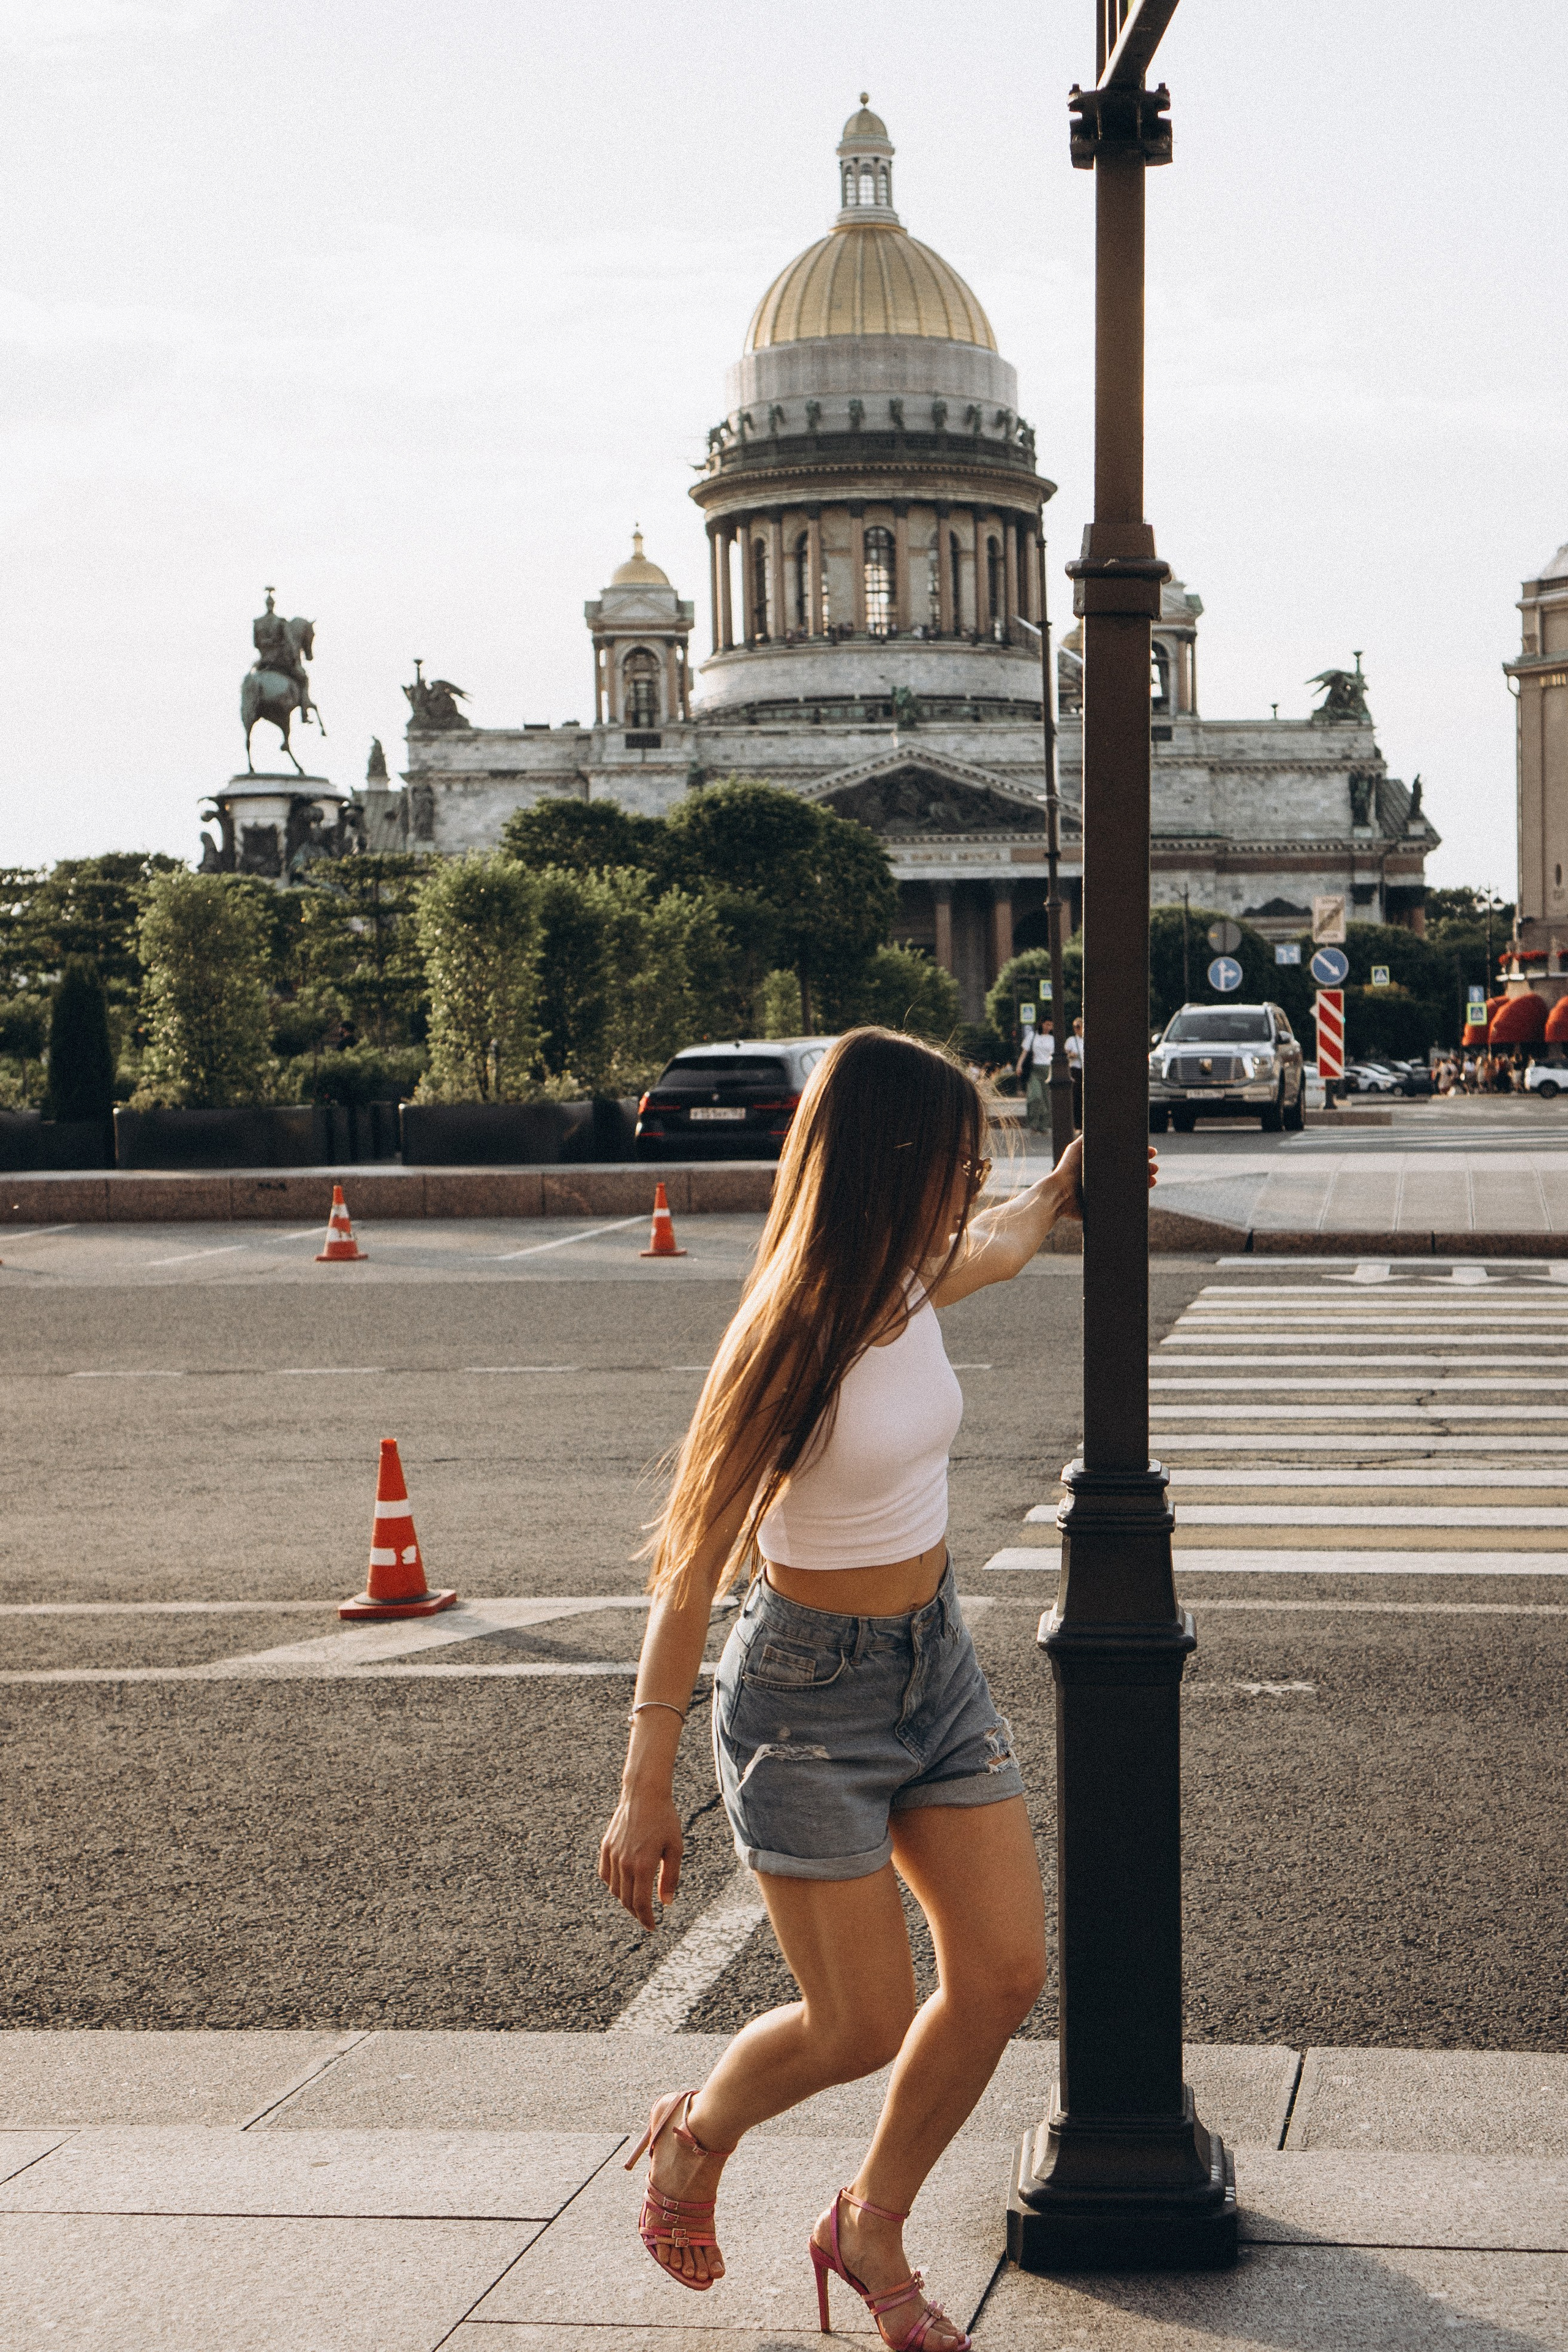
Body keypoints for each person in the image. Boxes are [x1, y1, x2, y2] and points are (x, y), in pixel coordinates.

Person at [599, 1027, 1158, 2351]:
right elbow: (689, 1567)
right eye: (957, 1162)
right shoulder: (789, 1335)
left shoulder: (904, 1280)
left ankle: (868, 2224)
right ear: (887, 1163)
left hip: (933, 1665)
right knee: (859, 2023)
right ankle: (697, 2132)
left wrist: (1062, 1186)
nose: (972, 1184)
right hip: (804, 1702)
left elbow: (1002, 1245)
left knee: (1003, 1973)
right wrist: (643, 1785)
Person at [1014, 1015, 1053, 1134]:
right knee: (1035, 1096)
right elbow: (1025, 1052)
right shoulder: (1033, 1036)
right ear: (1042, 1024)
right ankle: (1033, 1124)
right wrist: (1019, 1065)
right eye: (1047, 1024)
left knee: (1046, 1099)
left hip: (1048, 1069)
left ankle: (1043, 1125)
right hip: (1034, 1069)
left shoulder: (1053, 1039)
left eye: (1051, 1025)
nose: (1049, 1027)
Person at [1065, 1017, 1085, 1131]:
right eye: (1075, 1027)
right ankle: (1077, 1125)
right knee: (1076, 1097)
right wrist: (1071, 1055)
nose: (1077, 1029)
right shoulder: (1071, 1040)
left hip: (1085, 1070)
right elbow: (1065, 1053)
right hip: (1076, 1070)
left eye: (1079, 1026)